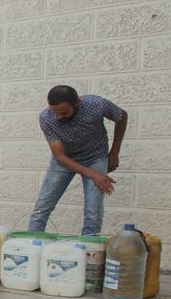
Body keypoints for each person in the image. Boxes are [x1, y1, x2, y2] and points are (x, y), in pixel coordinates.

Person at [28, 85, 127, 236]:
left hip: (95, 156)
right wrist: (92, 174)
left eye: (64, 112)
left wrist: (114, 152)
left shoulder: (96, 104)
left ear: (77, 103)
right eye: (55, 112)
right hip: (65, 159)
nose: (59, 117)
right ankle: (31, 246)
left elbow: (122, 116)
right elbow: (59, 156)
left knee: (93, 211)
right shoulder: (46, 118)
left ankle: (89, 253)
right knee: (42, 206)